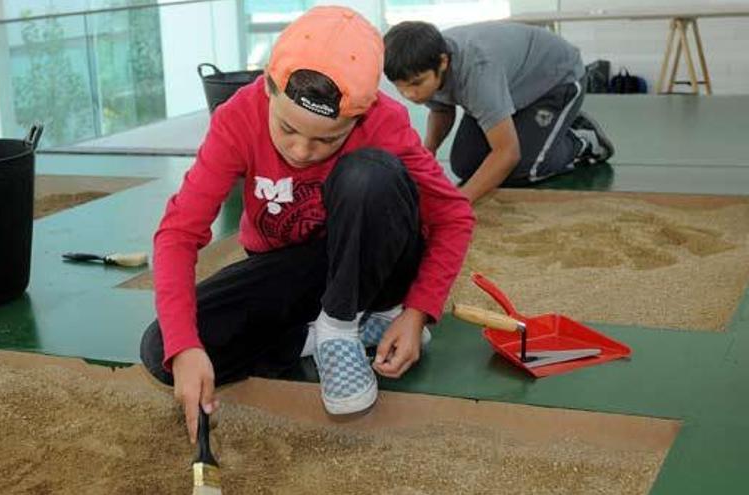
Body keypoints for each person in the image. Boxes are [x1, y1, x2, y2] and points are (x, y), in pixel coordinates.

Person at [140, 6, 475, 444]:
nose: (300, 151)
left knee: (369, 176)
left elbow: (453, 216)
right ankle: (323, 333)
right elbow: (179, 233)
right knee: (162, 346)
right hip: (297, 265)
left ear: (361, 115)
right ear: (267, 87)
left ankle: (341, 326)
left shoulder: (383, 120)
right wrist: (185, 349)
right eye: (287, 128)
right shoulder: (237, 117)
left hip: (375, 264)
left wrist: (417, 312)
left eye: (326, 139)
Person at [383, 21, 615, 203]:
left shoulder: (477, 73)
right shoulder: (423, 62)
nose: (409, 94)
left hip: (556, 81)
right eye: (399, 86)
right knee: (465, 165)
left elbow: (507, 153)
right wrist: (428, 151)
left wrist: (459, 202)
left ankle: (581, 140)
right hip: (507, 89)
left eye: (415, 84)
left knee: (522, 168)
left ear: (443, 62)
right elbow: (442, 110)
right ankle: (546, 129)